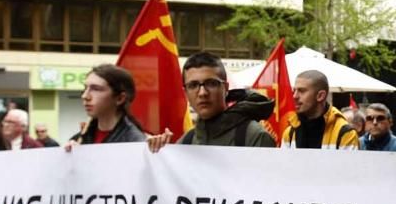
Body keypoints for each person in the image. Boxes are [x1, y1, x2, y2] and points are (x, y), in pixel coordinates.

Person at [146, 52, 275, 151]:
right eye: (193, 85)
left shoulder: (254, 137)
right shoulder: (186, 142)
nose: (202, 93)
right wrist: (162, 153)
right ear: (185, 92)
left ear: (225, 88)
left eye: (211, 84)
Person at [67, 64, 146, 146]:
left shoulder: (135, 142)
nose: (85, 96)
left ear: (120, 98)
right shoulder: (80, 139)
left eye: (96, 89)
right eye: (85, 88)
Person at [281, 71, 359, 150]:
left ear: (321, 96)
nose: (294, 96)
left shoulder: (345, 133)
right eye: (294, 91)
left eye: (302, 91)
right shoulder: (289, 133)